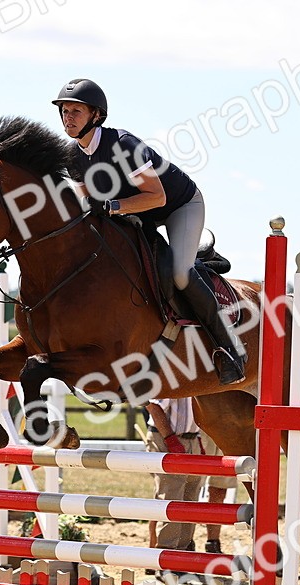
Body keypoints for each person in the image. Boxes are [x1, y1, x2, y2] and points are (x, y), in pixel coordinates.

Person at [51, 78, 244, 385]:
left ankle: (231, 348)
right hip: (139, 216)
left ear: (96, 116)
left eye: (76, 110)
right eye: (64, 110)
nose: (68, 117)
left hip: (178, 206)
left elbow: (157, 196)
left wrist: (112, 206)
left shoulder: (123, 145)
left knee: (180, 273)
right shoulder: (72, 156)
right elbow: (87, 202)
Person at [143, 396, 204, 554]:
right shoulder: (173, 376)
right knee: (171, 496)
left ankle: (182, 552)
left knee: (190, 497)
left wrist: (198, 441)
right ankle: (166, 555)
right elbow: (153, 406)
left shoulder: (197, 377)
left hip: (191, 438)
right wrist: (170, 439)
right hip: (167, 437)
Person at [197, 430, 235, 554]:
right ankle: (185, 542)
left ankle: (213, 542)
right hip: (202, 428)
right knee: (190, 487)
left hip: (228, 429)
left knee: (220, 489)